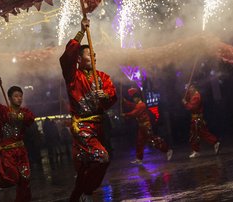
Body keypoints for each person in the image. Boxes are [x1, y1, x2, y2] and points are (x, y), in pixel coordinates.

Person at [60, 18, 117, 202]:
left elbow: (111, 96)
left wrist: (105, 96)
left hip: (100, 126)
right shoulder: (73, 76)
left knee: (87, 166)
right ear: (78, 58)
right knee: (102, 157)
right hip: (83, 126)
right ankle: (88, 191)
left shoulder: (102, 77)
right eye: (89, 54)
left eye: (94, 54)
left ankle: (78, 195)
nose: (93, 56)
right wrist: (81, 32)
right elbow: (66, 58)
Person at [0, 78, 35, 202]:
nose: (19, 98)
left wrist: (18, 116)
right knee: (11, 176)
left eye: (20, 96)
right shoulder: (3, 111)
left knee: (25, 177)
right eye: (16, 96)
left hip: (21, 151)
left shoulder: (25, 112)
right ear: (9, 98)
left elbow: (30, 119)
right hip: (8, 152)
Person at [122, 88, 173, 165]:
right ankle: (139, 159)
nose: (134, 100)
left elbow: (134, 113)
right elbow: (132, 105)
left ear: (138, 98)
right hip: (141, 127)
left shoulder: (141, 105)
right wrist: (125, 102)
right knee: (139, 142)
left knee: (153, 140)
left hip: (146, 126)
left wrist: (125, 115)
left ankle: (167, 150)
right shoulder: (138, 105)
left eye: (134, 98)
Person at [182, 84, 220, 158]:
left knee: (196, 135)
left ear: (194, 88)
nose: (190, 90)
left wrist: (185, 103)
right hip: (195, 119)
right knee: (199, 134)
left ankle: (198, 150)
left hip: (197, 119)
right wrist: (185, 91)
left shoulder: (196, 96)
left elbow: (192, 108)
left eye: (190, 88)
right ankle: (214, 143)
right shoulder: (192, 95)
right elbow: (186, 97)